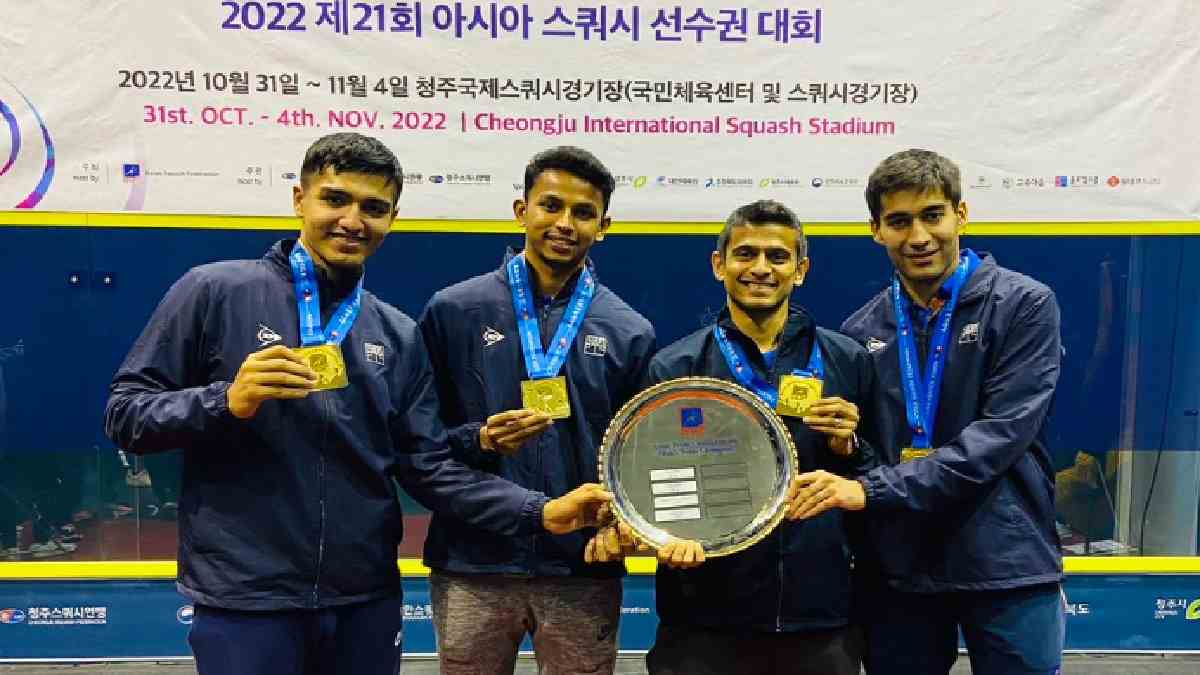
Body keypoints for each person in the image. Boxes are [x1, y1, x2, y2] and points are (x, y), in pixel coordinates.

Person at [104, 132, 610, 675]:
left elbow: (428, 465)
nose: (352, 220)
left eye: (374, 208)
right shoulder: (214, 292)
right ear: (300, 199)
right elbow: (126, 414)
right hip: (246, 598)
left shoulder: (395, 332)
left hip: (364, 601)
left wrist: (540, 511)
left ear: (392, 218)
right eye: (335, 199)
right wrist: (225, 400)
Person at [790, 149, 1065, 674]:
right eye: (899, 221)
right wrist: (849, 446)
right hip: (901, 568)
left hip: (1004, 561)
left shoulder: (1024, 304)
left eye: (932, 215)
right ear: (876, 230)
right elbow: (870, 455)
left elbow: (1000, 436)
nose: (918, 237)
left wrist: (869, 489)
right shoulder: (861, 331)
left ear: (961, 214)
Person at [587, 199, 879, 675]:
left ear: (800, 270)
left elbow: (877, 479)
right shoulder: (675, 368)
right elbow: (648, 483)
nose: (761, 268)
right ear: (719, 264)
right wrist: (665, 538)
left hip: (820, 620)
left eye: (777, 256)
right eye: (745, 254)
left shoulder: (847, 359)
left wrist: (852, 448)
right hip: (704, 619)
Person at [417, 146, 656, 675]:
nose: (565, 223)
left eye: (583, 213)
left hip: (581, 567)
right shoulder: (454, 310)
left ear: (604, 225)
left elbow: (637, 457)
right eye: (550, 205)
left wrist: (619, 524)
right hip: (472, 560)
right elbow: (419, 444)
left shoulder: (628, 329)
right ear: (521, 210)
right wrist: (478, 439)